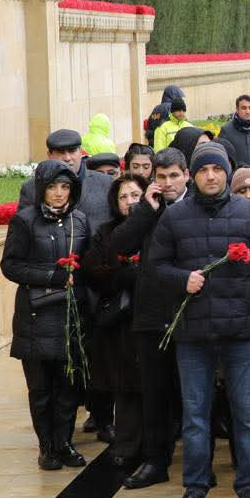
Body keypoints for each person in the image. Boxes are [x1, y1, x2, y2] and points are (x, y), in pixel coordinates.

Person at [147, 142, 250, 498]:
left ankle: (248, 486)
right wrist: (181, 279)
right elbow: (155, 268)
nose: (210, 176)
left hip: (240, 332)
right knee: (195, 416)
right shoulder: (174, 217)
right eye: (203, 170)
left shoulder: (249, 215)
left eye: (217, 170)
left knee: (247, 414)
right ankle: (195, 488)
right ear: (193, 175)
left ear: (226, 173)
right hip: (193, 334)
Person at [1, 159, 92, 470]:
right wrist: (52, 275)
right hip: (36, 317)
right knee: (41, 389)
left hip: (70, 315)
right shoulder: (24, 221)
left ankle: (64, 443)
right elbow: (10, 265)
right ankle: (47, 447)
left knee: (68, 387)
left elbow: (89, 263)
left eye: (65, 186)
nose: (59, 193)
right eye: (52, 187)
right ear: (41, 189)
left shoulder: (79, 221)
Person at [110, 148, 189, 489]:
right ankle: (156, 460)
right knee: (155, 394)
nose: (168, 183)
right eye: (161, 177)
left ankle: (200, 463)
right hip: (152, 315)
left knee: (192, 393)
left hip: (189, 313)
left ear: (186, 175)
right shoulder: (148, 208)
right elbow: (121, 244)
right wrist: (146, 210)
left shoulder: (197, 205)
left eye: (174, 176)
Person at [80, 172, 148, 469]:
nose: (129, 202)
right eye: (123, 197)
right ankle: (127, 445)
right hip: (121, 323)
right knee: (126, 389)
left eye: (135, 195)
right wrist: (122, 273)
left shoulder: (158, 224)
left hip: (153, 317)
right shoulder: (105, 232)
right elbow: (92, 270)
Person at [18, 128, 112, 235]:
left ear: (81, 152)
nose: (67, 158)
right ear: (49, 155)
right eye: (61, 152)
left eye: (72, 151)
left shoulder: (105, 183)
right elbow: (22, 230)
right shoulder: (31, 188)